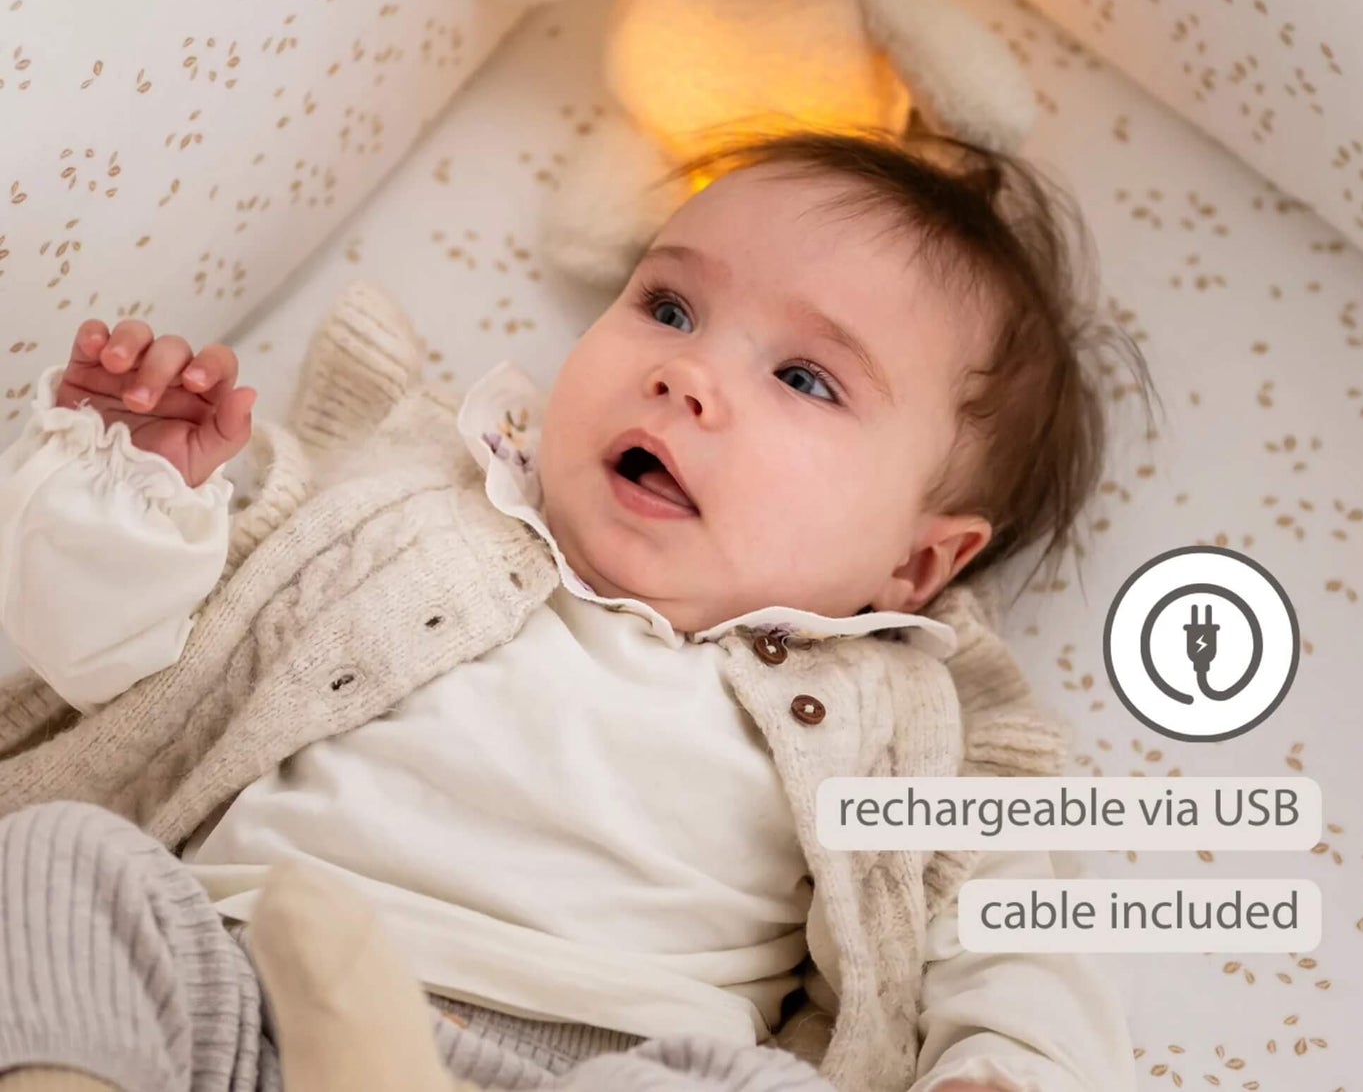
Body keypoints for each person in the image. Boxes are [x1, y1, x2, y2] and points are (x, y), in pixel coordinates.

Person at [0, 124, 1153, 1092]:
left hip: (607, 1060)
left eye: (804, 378)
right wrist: (133, 493)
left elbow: (1010, 929)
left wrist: (1003, 1070)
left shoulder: (901, 724)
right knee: (65, 860)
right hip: (248, 985)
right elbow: (124, 662)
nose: (685, 372)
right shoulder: (413, 494)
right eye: (668, 304)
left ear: (915, 563)